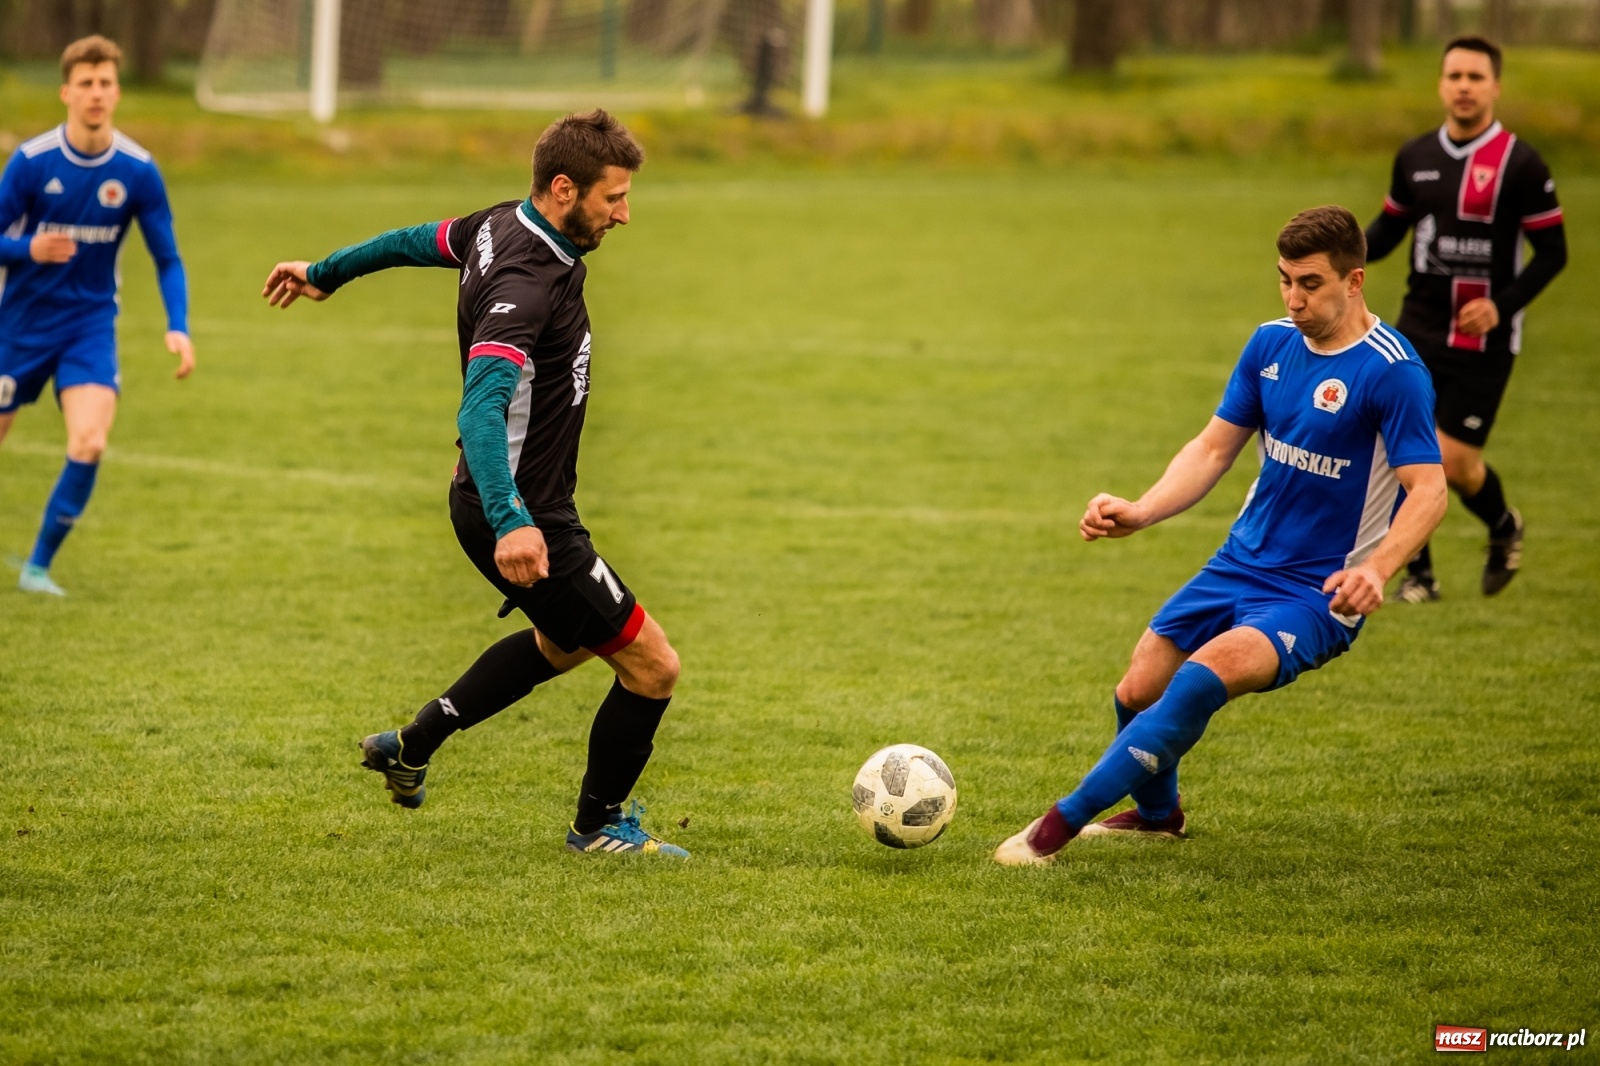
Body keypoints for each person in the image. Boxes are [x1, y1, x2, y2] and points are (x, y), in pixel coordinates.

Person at [261, 110, 687, 858]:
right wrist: (513, 519)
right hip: (522, 510)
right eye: (612, 197)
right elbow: (482, 405)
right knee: (653, 666)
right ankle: (598, 828)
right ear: (564, 188)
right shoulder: (526, 283)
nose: (625, 213)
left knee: (565, 643)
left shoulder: (498, 226)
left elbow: (409, 241)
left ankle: (411, 743)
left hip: (500, 499)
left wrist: (325, 272)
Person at [994, 206, 1447, 866]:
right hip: (1239, 562)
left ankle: (1052, 830)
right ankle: (1158, 818)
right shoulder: (1270, 345)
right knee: (1137, 689)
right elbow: (1212, 449)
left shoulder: (1392, 372)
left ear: (1354, 280)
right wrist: (1141, 510)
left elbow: (1428, 489)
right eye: (1285, 281)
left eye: (1311, 283)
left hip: (1317, 592)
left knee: (1204, 677)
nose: (1295, 299)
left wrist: (1378, 569)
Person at [1365, 36, 1567, 602]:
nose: (1463, 86)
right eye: (1454, 75)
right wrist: (1338, 248)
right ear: (1440, 84)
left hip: (1485, 339)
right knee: (1399, 448)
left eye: (1475, 77)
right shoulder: (1416, 157)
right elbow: (1387, 231)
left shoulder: (1521, 164)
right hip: (1417, 327)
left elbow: (1554, 253)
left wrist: (1502, 304)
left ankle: (1503, 525)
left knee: (1454, 463)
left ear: (1495, 86)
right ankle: (1419, 575)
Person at [0, 35, 194, 596]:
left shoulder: (136, 170)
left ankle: (37, 568)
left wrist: (177, 325)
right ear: (66, 91)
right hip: (21, 325)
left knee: (88, 441)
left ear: (117, 92)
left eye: (105, 82)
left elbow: (167, 258)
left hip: (89, 327)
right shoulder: (32, 163)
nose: (95, 93)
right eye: (85, 83)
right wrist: (28, 249)